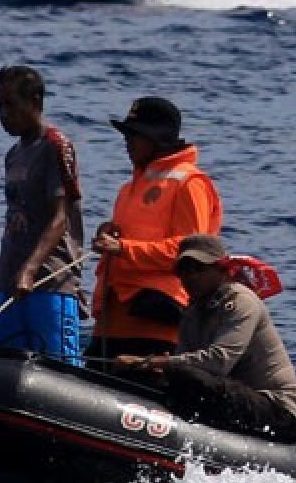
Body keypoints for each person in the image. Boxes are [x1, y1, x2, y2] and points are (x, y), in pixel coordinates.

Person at [114, 234, 296, 440]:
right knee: (143, 377)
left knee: (187, 375)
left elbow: (219, 361)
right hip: (229, 394)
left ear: (221, 270)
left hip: (274, 408)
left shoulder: (241, 302)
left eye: (199, 269)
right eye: (184, 271)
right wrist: (146, 368)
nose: (190, 277)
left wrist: (157, 361)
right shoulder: (193, 311)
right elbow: (184, 360)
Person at [88, 97, 222, 366]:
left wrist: (124, 248)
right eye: (127, 134)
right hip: (112, 320)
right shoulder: (128, 188)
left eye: (135, 135)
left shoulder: (189, 183)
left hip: (157, 320)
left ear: (158, 139)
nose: (127, 142)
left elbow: (192, 253)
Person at [0, 65, 85, 366]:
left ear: (35, 103)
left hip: (48, 280)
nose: (3, 114)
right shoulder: (14, 154)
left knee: (58, 366)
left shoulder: (55, 146)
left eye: (10, 106)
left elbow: (60, 217)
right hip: (8, 280)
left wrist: (30, 269)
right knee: (2, 362)